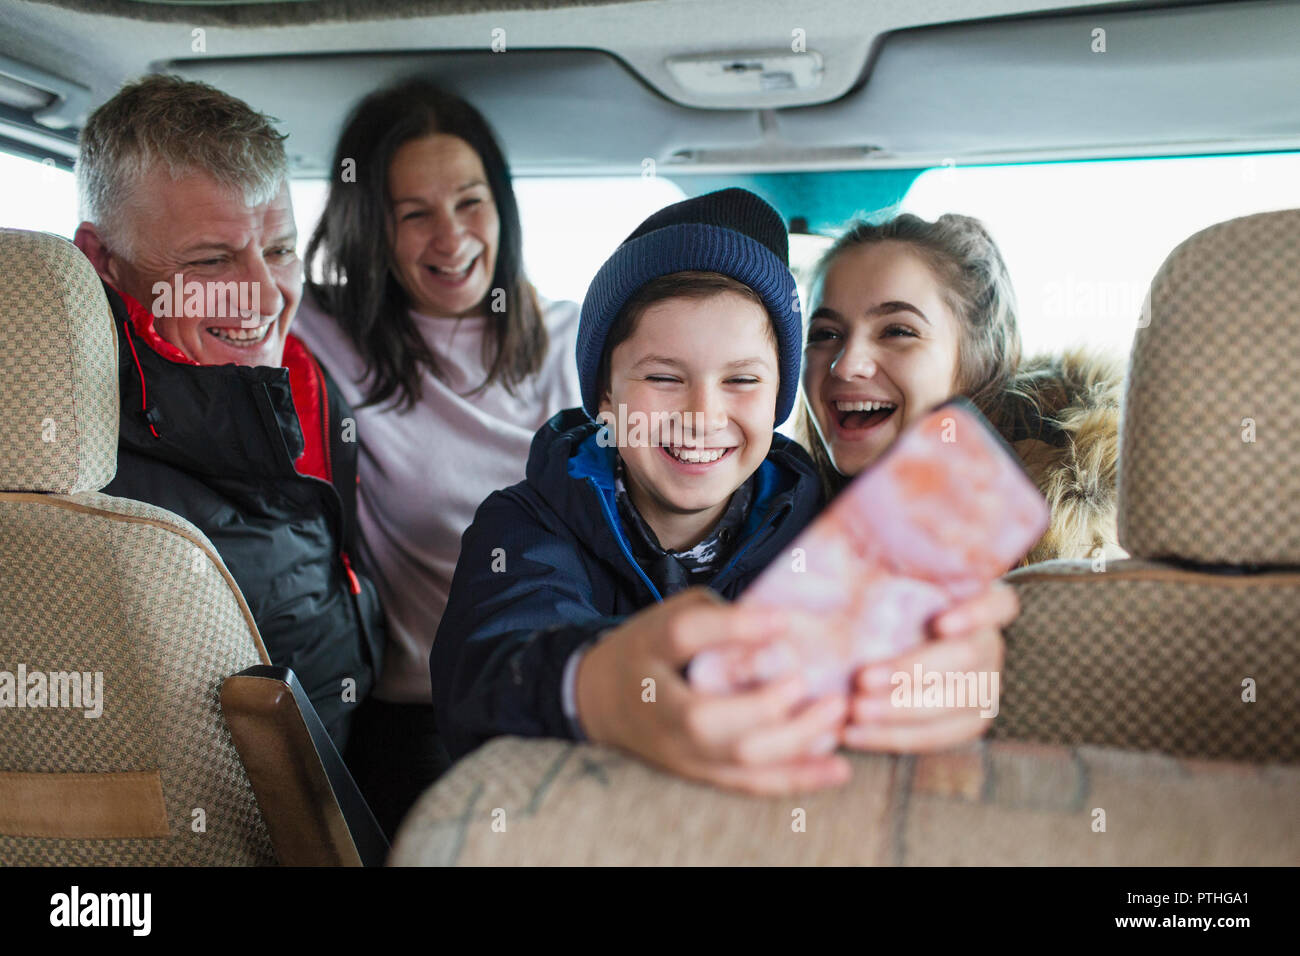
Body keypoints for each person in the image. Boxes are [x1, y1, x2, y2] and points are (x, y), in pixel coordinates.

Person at [433, 189, 1018, 793]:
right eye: (663, 377)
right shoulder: (526, 521)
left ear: (777, 401)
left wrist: (955, 671)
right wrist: (597, 683)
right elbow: (483, 669)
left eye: (741, 379)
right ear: (605, 396)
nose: (702, 415)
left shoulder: (831, 525)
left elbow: (901, 641)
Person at [293, 79, 581, 835]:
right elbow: (206, 273)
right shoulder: (329, 332)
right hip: (416, 720)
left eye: (469, 202)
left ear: (502, 206)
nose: (450, 239)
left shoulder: (574, 340)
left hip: (563, 703)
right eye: (412, 215)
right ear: (371, 230)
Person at [72, 75, 385, 751]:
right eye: (212, 261)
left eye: (279, 251)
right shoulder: (74, 455)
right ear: (102, 260)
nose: (265, 298)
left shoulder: (300, 378)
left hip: (346, 760)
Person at [796, 213, 1126, 574]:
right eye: (825, 334)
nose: (845, 366)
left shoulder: (1073, 560)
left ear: (980, 360)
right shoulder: (778, 528)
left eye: (897, 331)